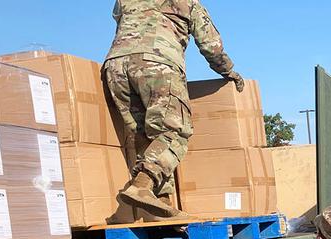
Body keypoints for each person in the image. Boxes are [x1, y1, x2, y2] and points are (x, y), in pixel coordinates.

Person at [103, 0, 245, 220]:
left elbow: (121, 22)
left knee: (144, 137)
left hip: (115, 66)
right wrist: (229, 71)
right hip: (157, 63)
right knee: (175, 132)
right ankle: (142, 184)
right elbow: (211, 45)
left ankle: (162, 206)